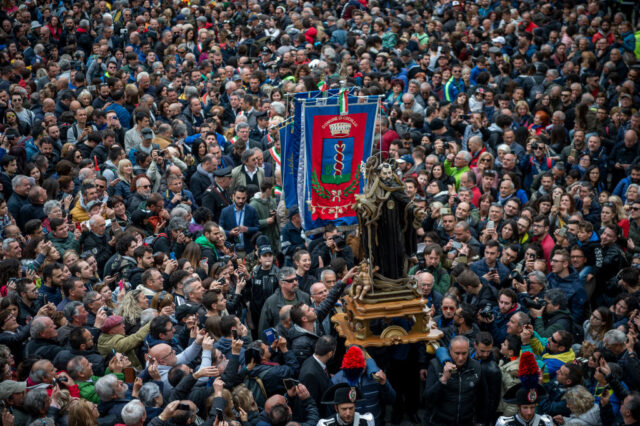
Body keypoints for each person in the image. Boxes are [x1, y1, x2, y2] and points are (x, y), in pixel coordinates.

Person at [423, 335, 488, 425]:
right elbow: (427, 398)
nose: (460, 358)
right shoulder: (436, 365)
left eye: (464, 353)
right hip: (439, 421)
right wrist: (443, 379)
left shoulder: (476, 367)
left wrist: (480, 422)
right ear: (450, 351)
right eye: (457, 353)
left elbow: (483, 398)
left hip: (466, 421)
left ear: (468, 350)